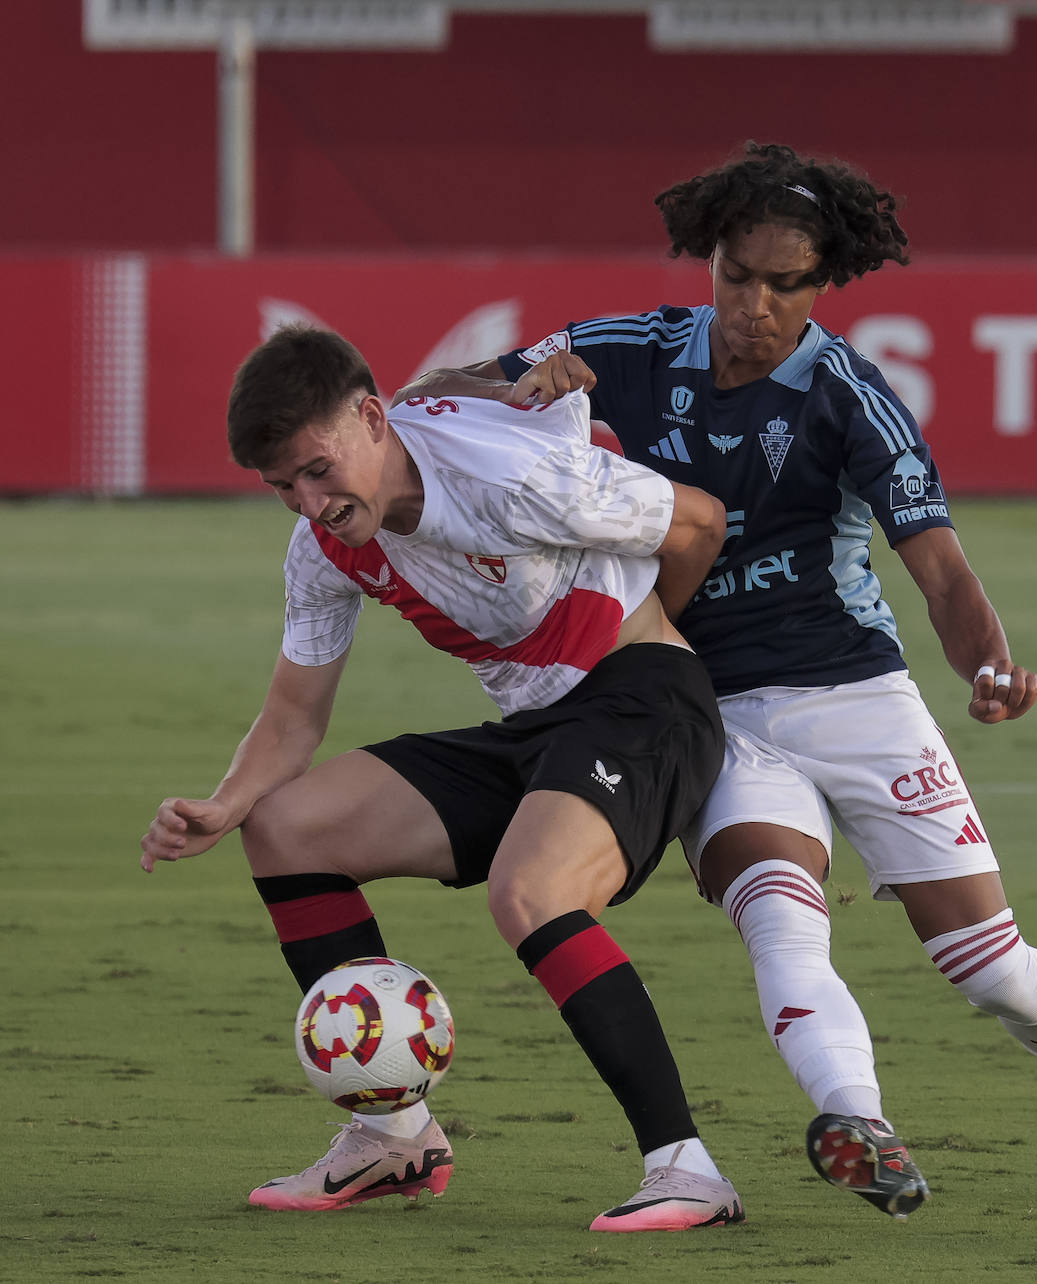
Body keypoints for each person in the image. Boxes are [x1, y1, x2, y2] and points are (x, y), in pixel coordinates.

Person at [401, 141, 1037, 1217]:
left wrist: (989, 667)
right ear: (710, 264)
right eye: (737, 275)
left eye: (783, 284)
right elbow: (424, 401)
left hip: (857, 697)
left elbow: (940, 568)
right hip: (713, 707)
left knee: (988, 964)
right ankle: (859, 1121)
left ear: (823, 284)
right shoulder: (625, 352)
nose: (754, 302)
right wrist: (512, 383)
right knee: (784, 919)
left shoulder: (848, 395)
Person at [138, 324, 748, 1233]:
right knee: (287, 828)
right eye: (282, 488)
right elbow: (294, 716)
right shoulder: (326, 548)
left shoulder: (508, 477)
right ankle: (396, 1140)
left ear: (373, 421)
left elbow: (699, 519)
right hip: (538, 735)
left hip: (644, 704)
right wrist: (223, 807)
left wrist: (663, 639)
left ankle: (686, 1167)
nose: (308, 504)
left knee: (529, 892)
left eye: (317, 469)